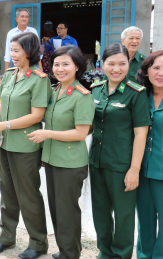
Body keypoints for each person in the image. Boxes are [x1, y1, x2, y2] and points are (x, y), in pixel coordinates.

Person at [0, 32, 51, 259]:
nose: (12, 55)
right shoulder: (11, 75)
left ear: (29, 52)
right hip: (6, 144)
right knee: (8, 193)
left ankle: (38, 242)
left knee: (28, 195)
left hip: (25, 146)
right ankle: (6, 237)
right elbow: (3, 103)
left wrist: (4, 125)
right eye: (11, 50)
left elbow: (36, 116)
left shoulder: (39, 80)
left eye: (16, 51)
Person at [27, 46, 95, 259]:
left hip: (71, 162)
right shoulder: (54, 91)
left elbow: (80, 133)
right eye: (56, 64)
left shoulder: (82, 96)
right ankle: (68, 249)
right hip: (53, 159)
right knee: (57, 209)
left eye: (66, 64)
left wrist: (47, 134)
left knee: (67, 211)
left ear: (77, 67)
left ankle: (70, 253)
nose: (60, 68)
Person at [89, 42, 150, 259]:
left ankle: (122, 254)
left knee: (124, 216)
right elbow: (88, 126)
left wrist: (134, 169)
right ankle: (104, 252)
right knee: (101, 212)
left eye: (122, 64)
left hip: (122, 164)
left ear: (129, 64)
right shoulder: (96, 90)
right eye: (111, 63)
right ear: (102, 64)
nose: (117, 69)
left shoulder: (136, 92)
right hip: (96, 162)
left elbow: (141, 134)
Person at [135, 51, 163, 259]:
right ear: (146, 70)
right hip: (141, 170)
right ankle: (144, 255)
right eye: (156, 67)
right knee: (144, 219)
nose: (161, 73)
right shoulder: (139, 95)